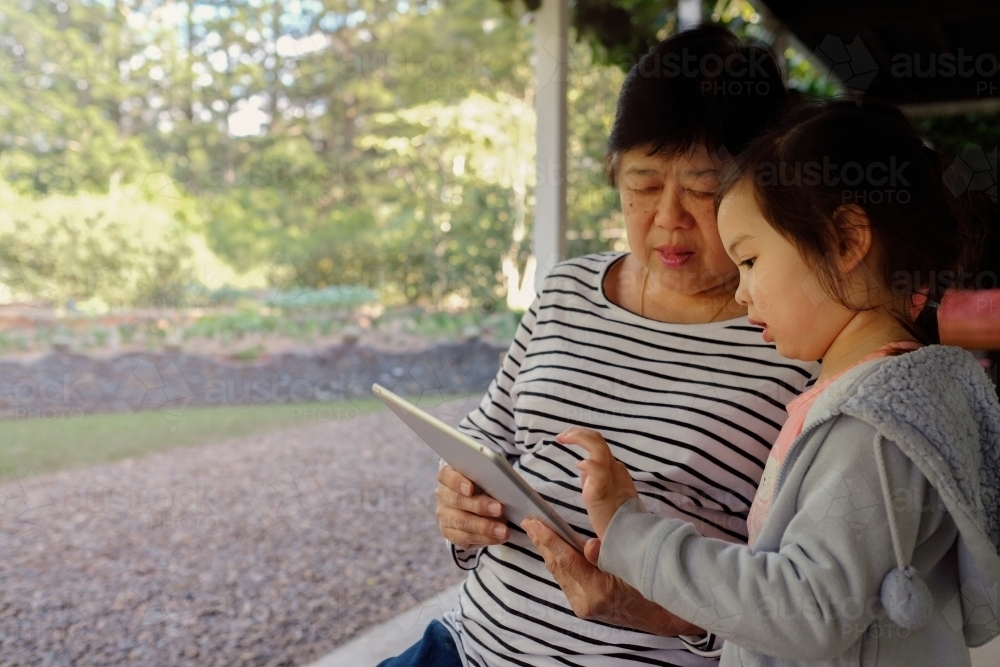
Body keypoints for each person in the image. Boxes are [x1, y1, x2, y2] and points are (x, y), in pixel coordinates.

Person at [378, 25, 822, 667]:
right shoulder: (567, 290)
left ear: (765, 189)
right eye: (643, 186)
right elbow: (485, 445)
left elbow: (808, 607)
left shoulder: (797, 343)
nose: (669, 218)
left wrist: (653, 611)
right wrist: (459, 504)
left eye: (703, 191)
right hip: (467, 645)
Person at [555, 99, 1000, 665]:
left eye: (750, 260)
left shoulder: (875, 428)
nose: (741, 294)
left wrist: (630, 530)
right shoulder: (870, 395)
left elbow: (806, 610)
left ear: (846, 241)